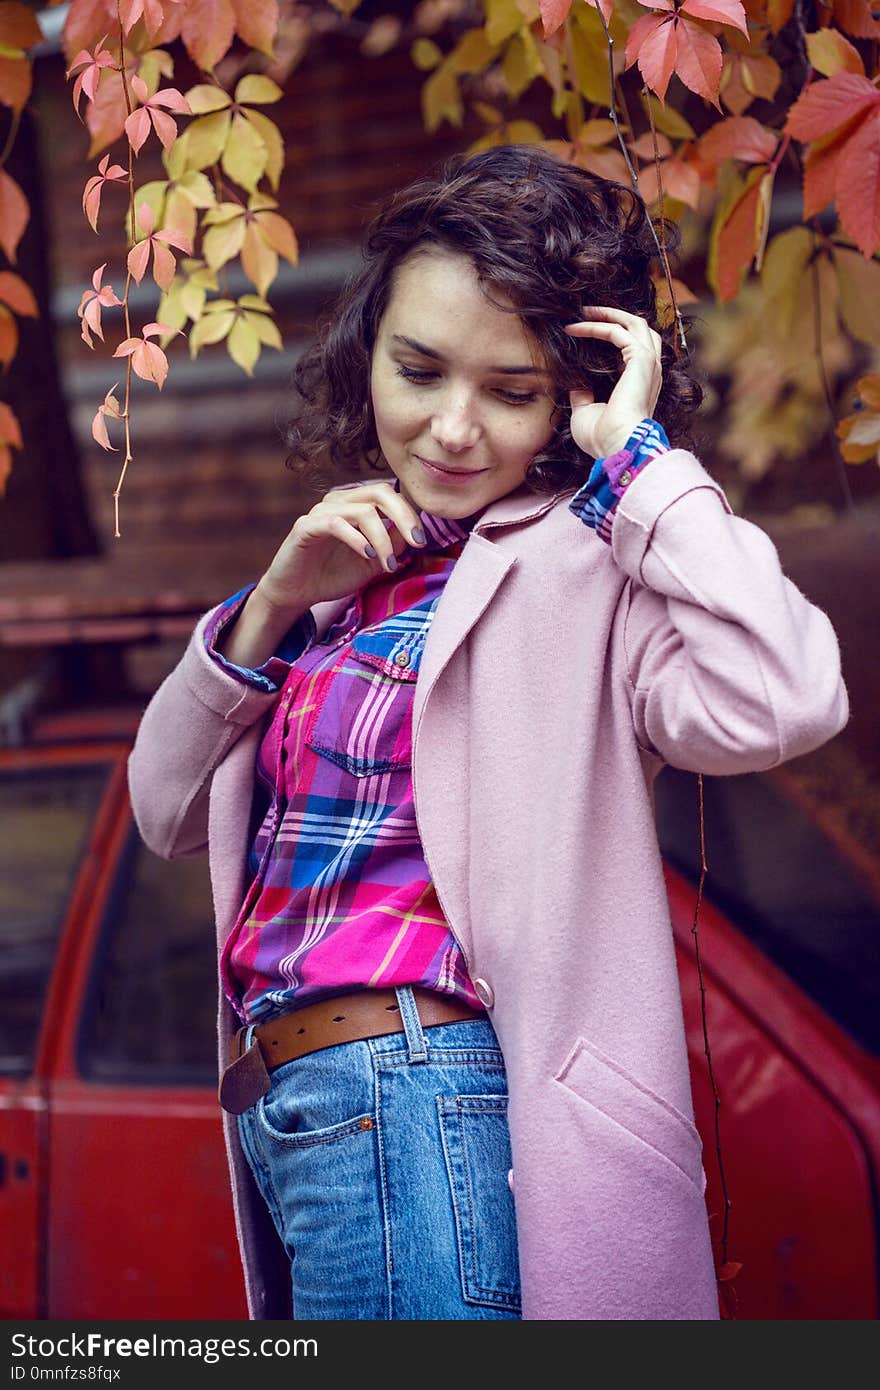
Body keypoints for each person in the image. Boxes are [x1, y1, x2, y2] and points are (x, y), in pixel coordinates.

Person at [128, 145, 848, 1321]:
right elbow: (161, 809)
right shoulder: (346, 576)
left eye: (511, 391)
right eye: (419, 369)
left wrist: (640, 464)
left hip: (418, 1093)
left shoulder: (591, 562)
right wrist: (267, 606)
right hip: (291, 1113)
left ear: (572, 395)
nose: (453, 427)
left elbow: (788, 690)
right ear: (369, 351)